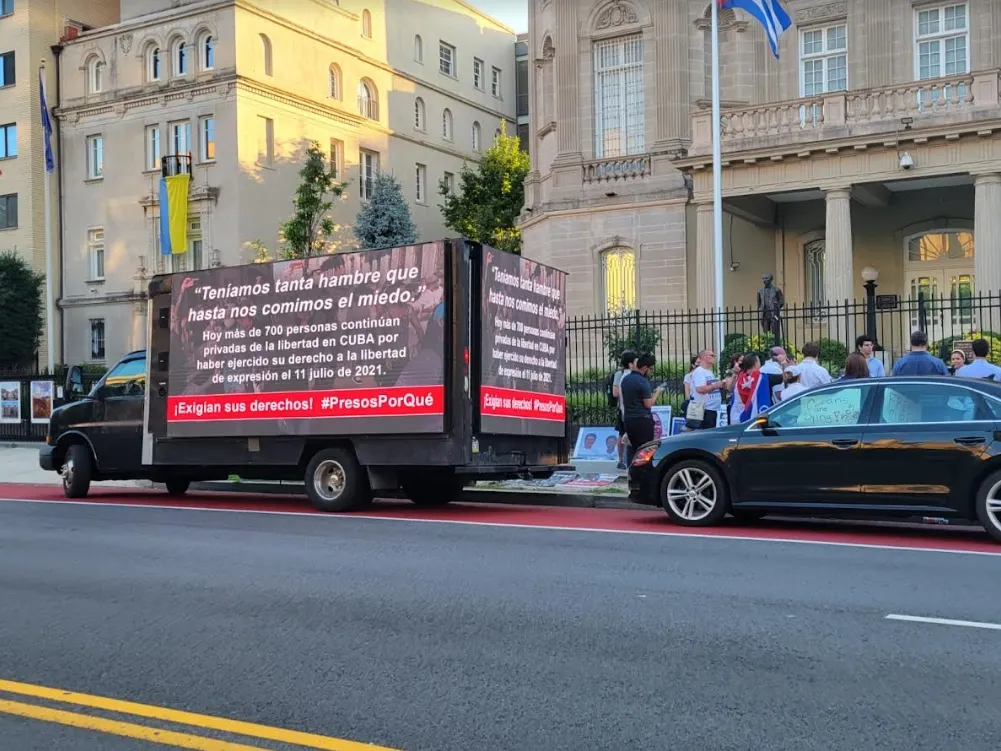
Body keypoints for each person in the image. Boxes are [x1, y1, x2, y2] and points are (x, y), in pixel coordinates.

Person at [619, 353, 665, 464]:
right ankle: (643, 475)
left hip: (629, 419)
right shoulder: (642, 382)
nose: (651, 371)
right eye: (651, 369)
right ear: (645, 368)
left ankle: (630, 471)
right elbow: (648, 404)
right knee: (645, 449)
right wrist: (657, 393)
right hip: (642, 420)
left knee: (632, 447)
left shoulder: (626, 380)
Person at [612, 350, 638, 469]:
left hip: (628, 409)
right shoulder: (621, 374)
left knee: (626, 434)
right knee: (622, 434)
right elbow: (615, 393)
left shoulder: (634, 375)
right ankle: (621, 459)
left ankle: (628, 460)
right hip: (623, 409)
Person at [690, 349, 727, 429]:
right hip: (704, 410)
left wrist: (720, 385)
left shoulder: (709, 371)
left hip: (711, 409)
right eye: (712, 355)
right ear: (705, 357)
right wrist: (715, 386)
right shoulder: (699, 371)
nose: (715, 357)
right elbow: (700, 389)